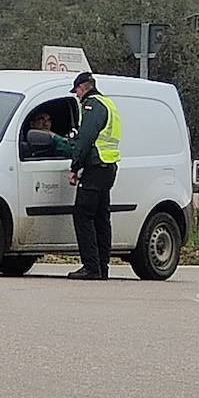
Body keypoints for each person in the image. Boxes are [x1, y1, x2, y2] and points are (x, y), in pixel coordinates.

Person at [66, 72, 121, 280]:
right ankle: (102, 267)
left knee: (82, 215)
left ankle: (90, 266)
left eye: (77, 91)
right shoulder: (109, 104)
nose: (77, 96)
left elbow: (86, 137)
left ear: (84, 87)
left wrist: (75, 166)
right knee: (100, 217)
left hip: (96, 166)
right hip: (108, 167)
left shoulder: (92, 105)